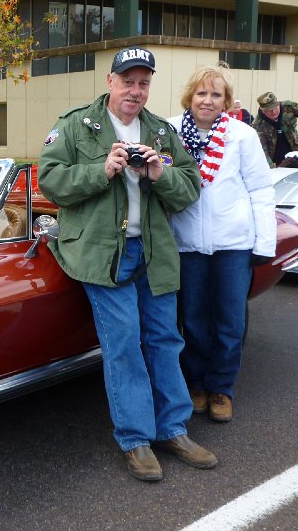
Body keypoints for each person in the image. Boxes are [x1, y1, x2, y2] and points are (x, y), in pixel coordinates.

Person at [38, 46, 216, 482]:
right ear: (110, 81)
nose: (135, 91)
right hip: (101, 253)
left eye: (143, 83)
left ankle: (173, 429)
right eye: (128, 81)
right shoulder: (77, 125)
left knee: (165, 340)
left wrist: (160, 172)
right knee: (124, 345)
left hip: (153, 252)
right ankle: (136, 439)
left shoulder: (159, 131)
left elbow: (189, 186)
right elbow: (51, 180)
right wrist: (102, 169)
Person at [167, 64, 276, 424]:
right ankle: (196, 383)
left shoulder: (242, 135)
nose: (208, 100)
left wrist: (264, 242)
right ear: (190, 96)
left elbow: (260, 189)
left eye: (216, 94)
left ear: (226, 101)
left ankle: (221, 388)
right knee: (194, 320)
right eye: (202, 93)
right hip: (187, 245)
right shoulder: (169, 131)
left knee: (229, 321)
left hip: (233, 244)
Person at [252, 91, 298, 166]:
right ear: (263, 111)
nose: (274, 112)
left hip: (295, 155)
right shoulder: (258, 126)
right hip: (275, 162)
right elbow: (262, 153)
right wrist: (277, 167)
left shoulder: (288, 107)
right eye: (270, 110)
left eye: (275, 108)